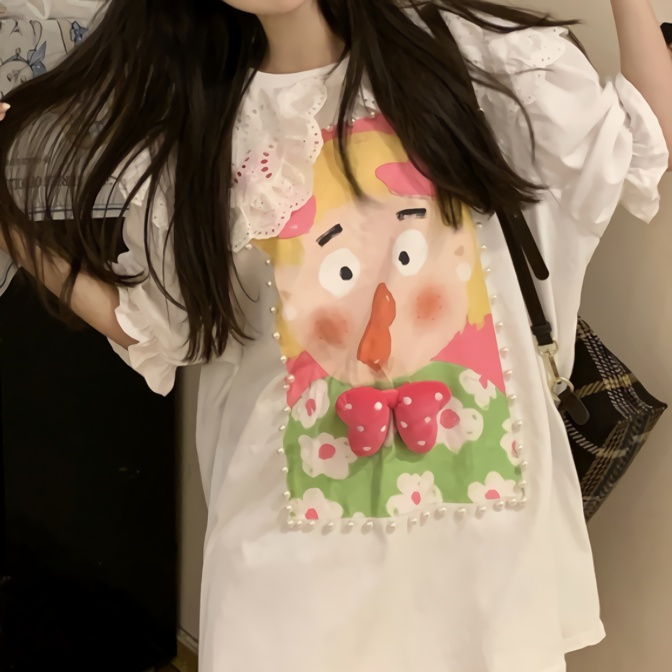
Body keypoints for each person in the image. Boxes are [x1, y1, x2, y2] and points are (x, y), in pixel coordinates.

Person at [0, 1, 670, 671]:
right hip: (288, 572)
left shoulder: (466, 58)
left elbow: (644, 139)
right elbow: (155, 327)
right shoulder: (203, 126)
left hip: (481, 559)